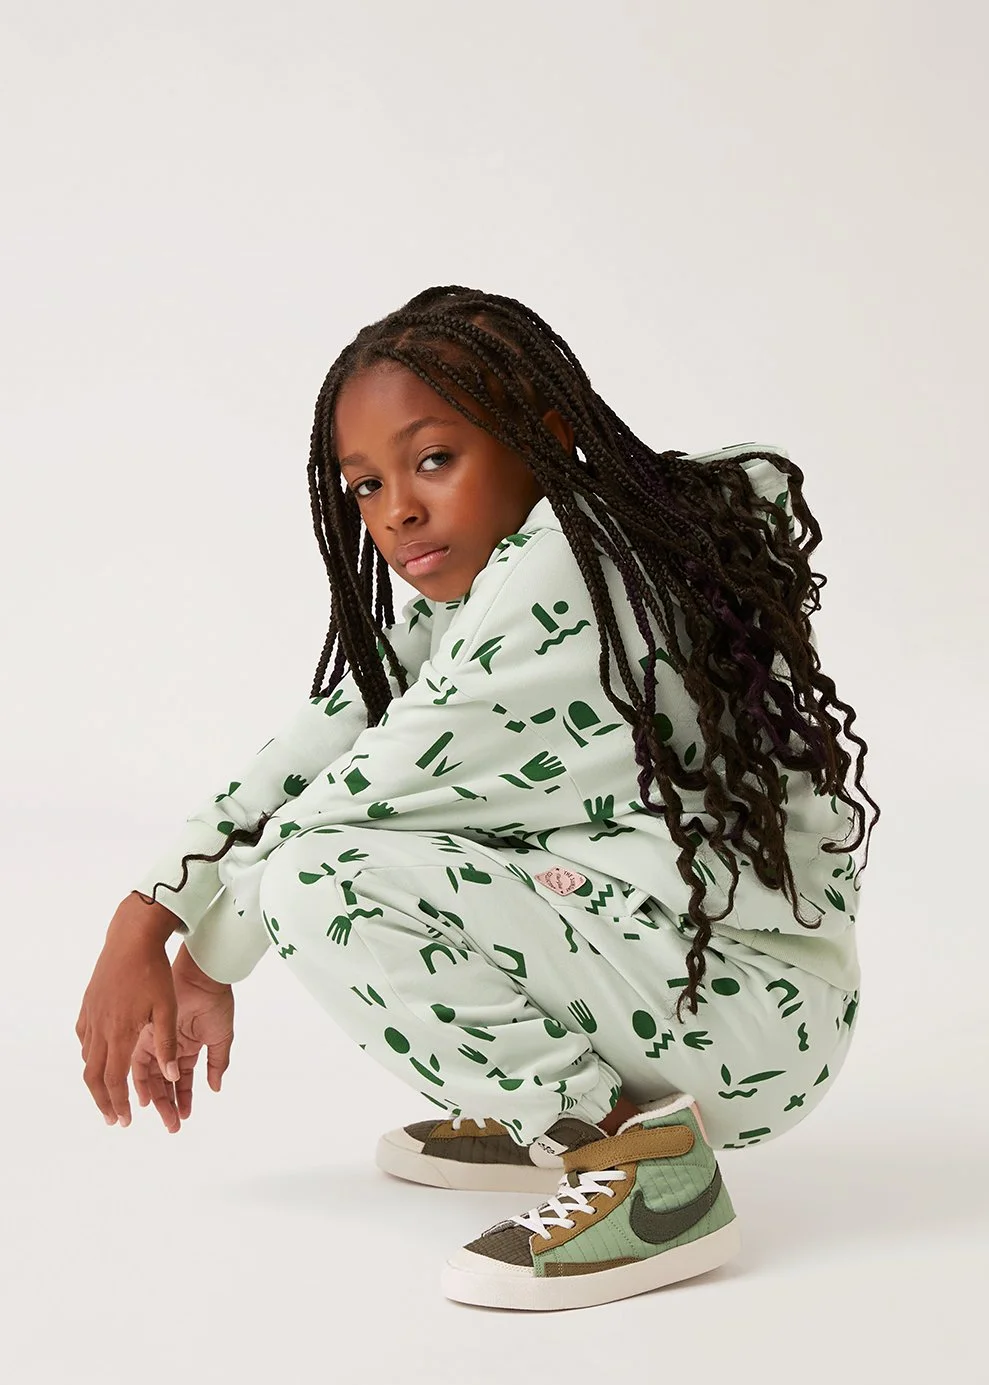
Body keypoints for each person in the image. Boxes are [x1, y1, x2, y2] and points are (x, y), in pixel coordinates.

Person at [77, 285, 877, 1312]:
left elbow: (359, 795)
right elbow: (316, 740)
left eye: (432, 459)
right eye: (362, 483)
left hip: (736, 1003)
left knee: (324, 878)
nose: (395, 508)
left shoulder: (569, 575)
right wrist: (146, 910)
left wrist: (201, 951)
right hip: (690, 974)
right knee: (334, 860)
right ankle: (565, 1108)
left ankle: (639, 1167)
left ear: (540, 434)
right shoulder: (480, 587)